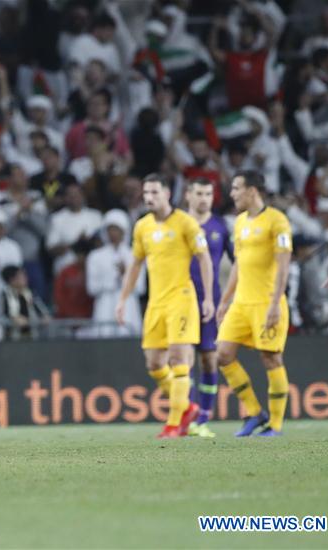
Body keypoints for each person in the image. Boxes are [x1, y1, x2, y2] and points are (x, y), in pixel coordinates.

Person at [115, 173, 214, 439]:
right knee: (155, 363)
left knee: (179, 361)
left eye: (155, 192)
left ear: (168, 193)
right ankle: (188, 407)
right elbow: (136, 264)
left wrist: (207, 298)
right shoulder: (142, 226)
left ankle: (173, 424)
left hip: (181, 299)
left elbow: (204, 259)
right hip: (156, 302)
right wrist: (123, 299)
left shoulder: (186, 222)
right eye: (146, 192)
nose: (149, 197)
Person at [215, 171, 292, 437]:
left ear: (252, 191)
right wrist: (225, 300)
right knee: (223, 355)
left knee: (270, 358)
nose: (232, 193)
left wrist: (274, 304)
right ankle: (254, 412)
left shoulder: (277, 221)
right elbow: (239, 263)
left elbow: (284, 266)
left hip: (266, 302)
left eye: (237, 188)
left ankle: (276, 425)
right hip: (241, 303)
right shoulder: (238, 223)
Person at [184, 179, 233, 438]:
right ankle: (186, 417)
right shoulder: (179, 223)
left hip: (209, 301)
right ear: (187, 195)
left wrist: (225, 298)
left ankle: (202, 419)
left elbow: (238, 261)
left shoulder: (220, 226)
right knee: (183, 360)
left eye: (208, 194)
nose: (204, 198)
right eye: (199, 193)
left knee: (209, 359)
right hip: (181, 300)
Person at [86, 209, 141, 336]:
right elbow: (92, 288)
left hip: (129, 307)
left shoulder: (135, 255)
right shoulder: (95, 256)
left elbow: (140, 288)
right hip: (104, 306)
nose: (113, 233)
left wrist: (125, 275)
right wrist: (112, 280)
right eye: (110, 229)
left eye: (117, 229)